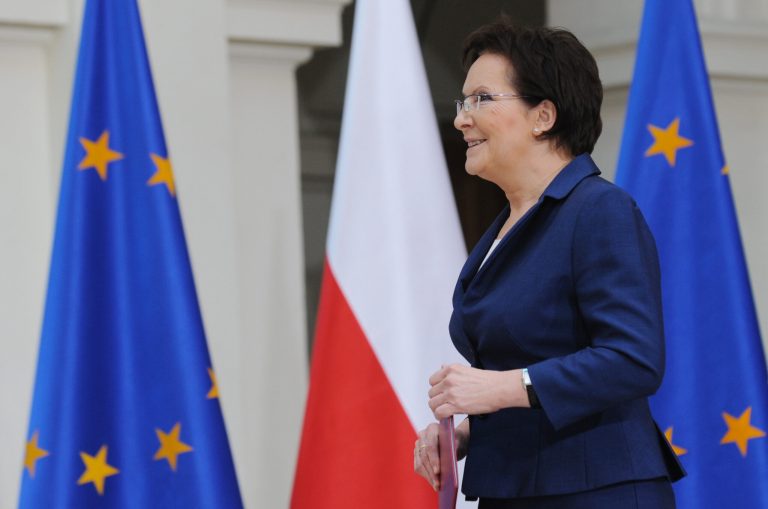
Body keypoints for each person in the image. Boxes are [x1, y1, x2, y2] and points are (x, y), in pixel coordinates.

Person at [413, 22, 685, 509]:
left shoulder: (599, 211)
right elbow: (533, 373)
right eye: (462, 103)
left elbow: (634, 358)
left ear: (543, 116)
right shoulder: (507, 225)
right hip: (515, 487)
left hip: (596, 492)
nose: (461, 120)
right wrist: (470, 432)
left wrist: (500, 387)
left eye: (481, 100)